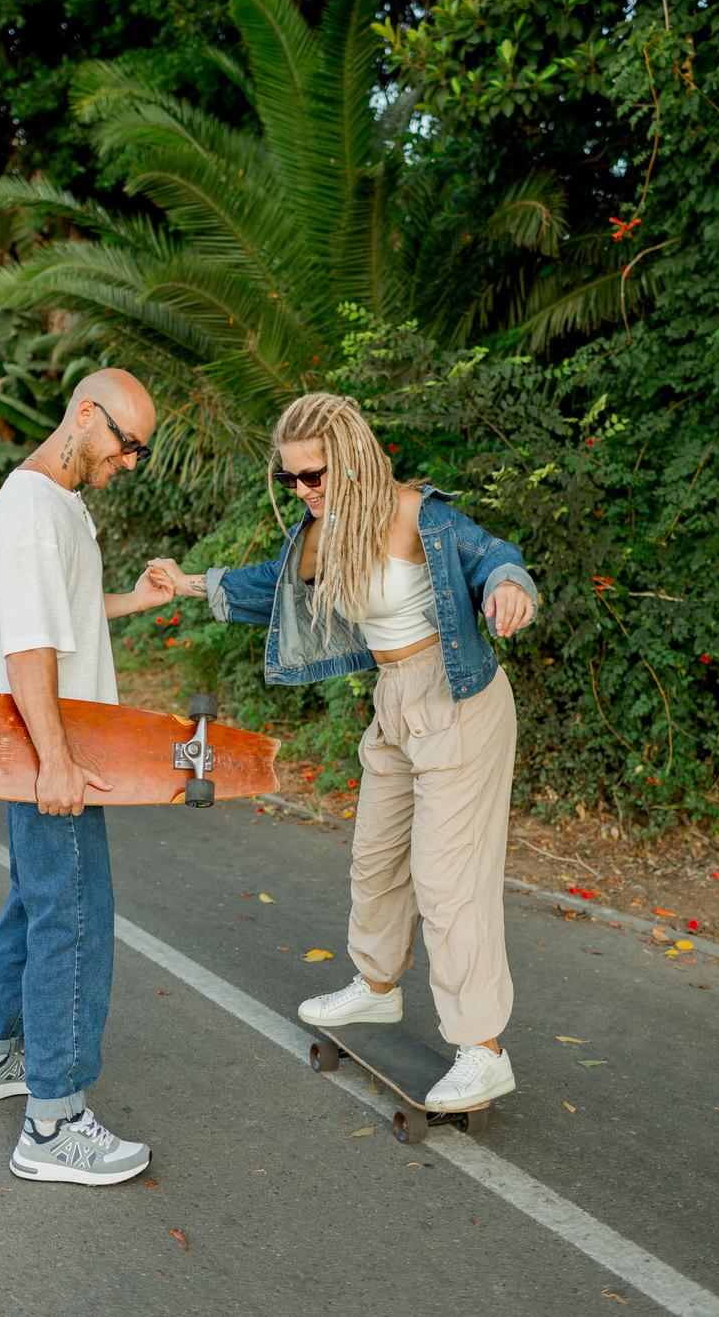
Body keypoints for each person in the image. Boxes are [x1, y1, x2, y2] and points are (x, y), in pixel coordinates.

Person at [149, 391, 536, 1111]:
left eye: (316, 475)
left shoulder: (416, 514)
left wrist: (510, 588)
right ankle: (377, 987)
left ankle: (483, 1049)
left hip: (457, 698)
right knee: (377, 857)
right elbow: (272, 586)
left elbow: (493, 558)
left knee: (450, 878)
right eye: (293, 478)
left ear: (354, 458)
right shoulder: (323, 535)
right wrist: (191, 583)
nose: (304, 490)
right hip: (394, 700)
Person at [0, 369, 176, 1186]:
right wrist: (56, 759)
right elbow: (28, 649)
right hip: (51, 752)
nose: (131, 462)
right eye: (127, 444)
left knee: (37, 900)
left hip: (51, 748)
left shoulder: (58, 507)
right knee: (73, 915)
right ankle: (53, 1126)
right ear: (87, 415)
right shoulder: (32, 511)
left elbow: (65, 615)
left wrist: (136, 600)